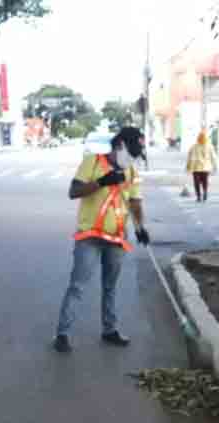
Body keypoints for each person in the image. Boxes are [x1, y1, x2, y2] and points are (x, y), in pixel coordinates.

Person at [53, 127, 151, 353]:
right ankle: (63, 333)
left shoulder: (132, 173)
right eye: (131, 153)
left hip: (117, 238)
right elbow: (73, 191)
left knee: (110, 287)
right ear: (119, 146)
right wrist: (102, 181)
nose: (133, 158)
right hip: (90, 236)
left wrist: (140, 227)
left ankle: (110, 330)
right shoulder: (93, 162)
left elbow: (135, 202)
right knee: (78, 286)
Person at [186, 130, 218, 202]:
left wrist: (188, 167)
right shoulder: (209, 146)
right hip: (205, 168)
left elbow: (189, 157)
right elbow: (214, 157)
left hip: (196, 168)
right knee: (205, 182)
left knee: (197, 183)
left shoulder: (194, 147)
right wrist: (215, 166)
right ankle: (204, 193)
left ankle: (199, 196)